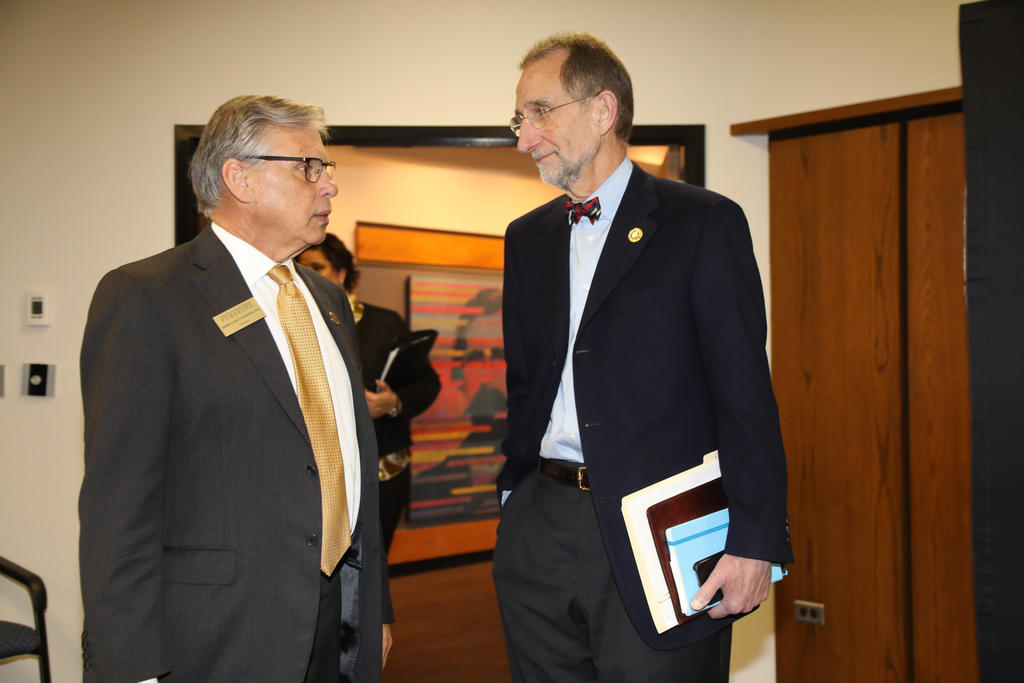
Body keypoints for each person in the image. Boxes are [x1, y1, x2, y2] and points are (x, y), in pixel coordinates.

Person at [494, 34, 793, 682]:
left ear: (603, 109)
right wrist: (513, 497)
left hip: (662, 527)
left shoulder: (703, 222)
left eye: (539, 112)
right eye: (519, 118)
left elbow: (744, 396)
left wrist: (755, 542)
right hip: (540, 525)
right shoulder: (527, 239)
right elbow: (526, 381)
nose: (524, 136)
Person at [79, 95, 392, 682]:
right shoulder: (147, 297)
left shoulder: (328, 303)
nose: (329, 187)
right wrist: (131, 668)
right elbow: (117, 509)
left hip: (332, 626)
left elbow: (346, 458)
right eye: (308, 168)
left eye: (327, 169)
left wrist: (372, 607)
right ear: (238, 177)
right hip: (214, 635)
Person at [298, 235, 441, 551]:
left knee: (374, 572)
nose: (306, 275)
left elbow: (427, 382)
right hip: (314, 477)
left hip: (383, 474)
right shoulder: (292, 324)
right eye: (299, 267)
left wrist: (394, 402)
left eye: (317, 267)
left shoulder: (384, 323)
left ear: (342, 271)